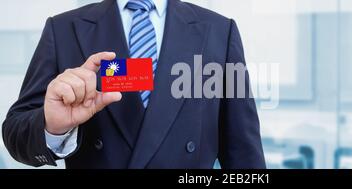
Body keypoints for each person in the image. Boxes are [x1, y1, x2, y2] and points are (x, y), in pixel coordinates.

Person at [2, 0, 265, 169]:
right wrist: (53, 127)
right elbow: (16, 134)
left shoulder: (220, 30)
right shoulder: (63, 29)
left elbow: (244, 154)